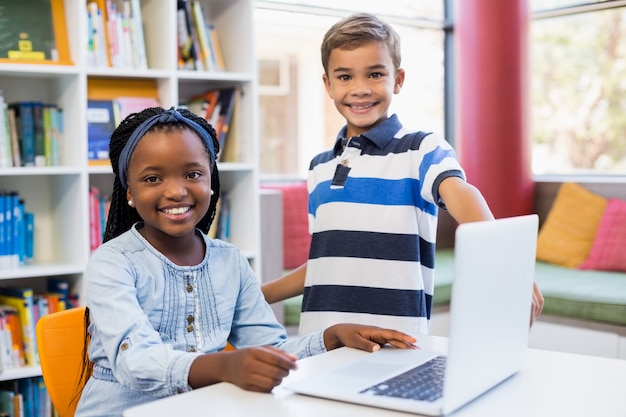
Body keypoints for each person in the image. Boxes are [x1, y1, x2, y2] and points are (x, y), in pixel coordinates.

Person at [74, 107, 417, 417]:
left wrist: (331, 337)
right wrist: (225, 366)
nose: (176, 191)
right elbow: (135, 361)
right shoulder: (112, 263)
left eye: (192, 174)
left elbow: (270, 348)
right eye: (153, 179)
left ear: (212, 182)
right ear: (129, 192)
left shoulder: (230, 261)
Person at [261, 13, 544, 337]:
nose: (361, 89)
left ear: (398, 79)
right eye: (345, 77)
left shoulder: (421, 149)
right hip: (320, 342)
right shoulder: (319, 168)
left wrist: (508, 262)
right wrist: (259, 295)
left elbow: (461, 193)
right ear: (327, 84)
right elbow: (324, 261)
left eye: (375, 74)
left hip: (396, 343)